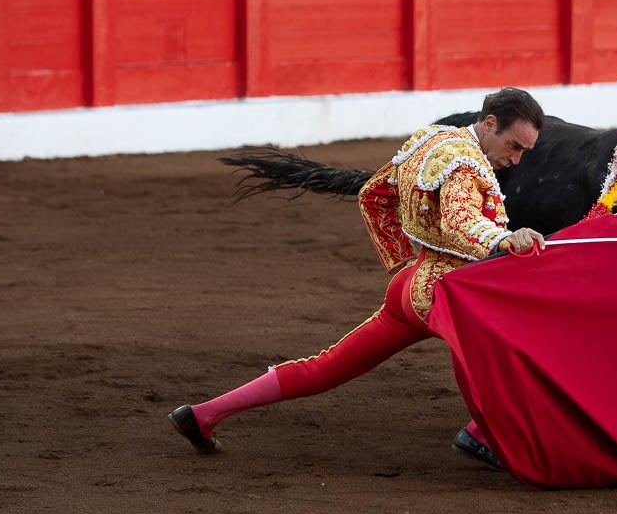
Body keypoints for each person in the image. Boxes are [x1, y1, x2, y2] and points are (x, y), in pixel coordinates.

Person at [169, 88, 549, 458]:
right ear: (489, 123)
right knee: (516, 348)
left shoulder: (434, 140)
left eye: (524, 151)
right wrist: (502, 238)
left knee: (324, 368)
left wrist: (404, 263)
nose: (516, 160)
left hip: (410, 288)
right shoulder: (466, 165)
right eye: (514, 146)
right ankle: (480, 435)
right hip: (444, 294)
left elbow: (374, 193)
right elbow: (458, 220)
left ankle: (203, 415)